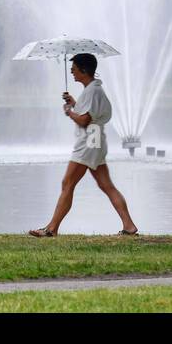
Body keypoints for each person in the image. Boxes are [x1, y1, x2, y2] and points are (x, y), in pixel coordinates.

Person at [29, 52, 138, 237]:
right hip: (95, 142)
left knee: (67, 183)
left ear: (84, 70)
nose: (72, 72)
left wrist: (69, 111)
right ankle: (129, 226)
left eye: (75, 69)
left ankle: (51, 229)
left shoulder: (94, 90)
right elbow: (89, 112)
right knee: (106, 185)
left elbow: (84, 120)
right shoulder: (92, 90)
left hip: (89, 143)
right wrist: (74, 103)